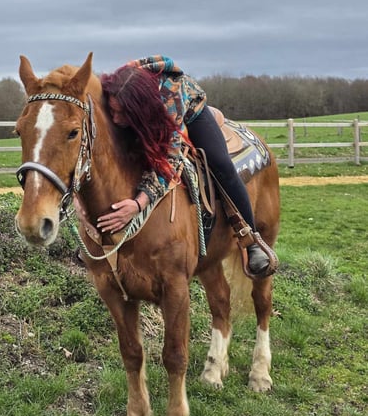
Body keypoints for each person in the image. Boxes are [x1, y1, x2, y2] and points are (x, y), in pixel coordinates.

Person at [96, 55, 274, 278]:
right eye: (112, 111)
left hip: (190, 110)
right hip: (143, 113)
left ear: (138, 110)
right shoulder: (117, 85)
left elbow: (168, 162)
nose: (115, 118)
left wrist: (139, 203)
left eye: (121, 113)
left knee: (221, 165)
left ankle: (251, 240)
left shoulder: (169, 101)